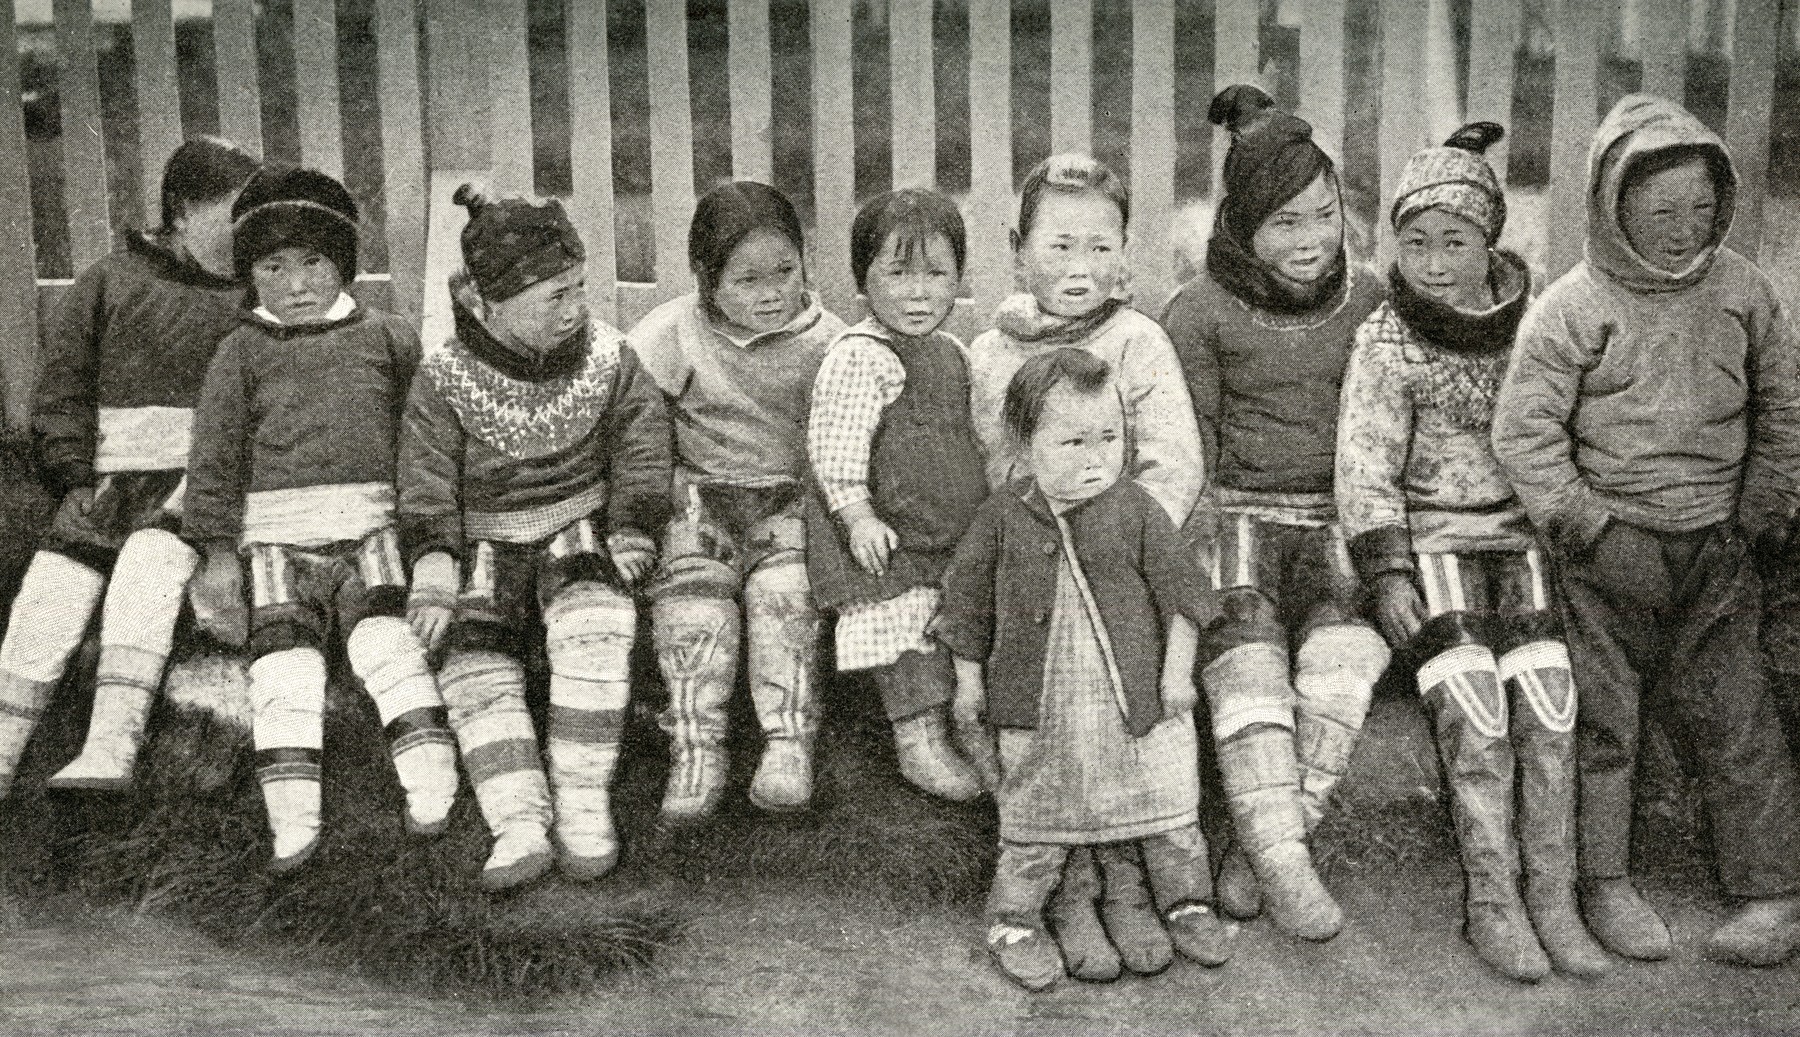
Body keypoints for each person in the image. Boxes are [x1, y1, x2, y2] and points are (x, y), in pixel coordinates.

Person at [1492, 93, 1800, 967]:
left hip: (1719, 549)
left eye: (1702, 209)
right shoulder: (1573, 307)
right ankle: (1605, 882)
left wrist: (1760, 512)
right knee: (1606, 720)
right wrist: (1590, 529)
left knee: (1739, 712)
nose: (1684, 228)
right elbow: (1525, 434)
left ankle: (1774, 891)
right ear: (1613, 205)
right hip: (1606, 556)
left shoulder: (1745, 291)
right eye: (1662, 210)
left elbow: (1783, 408)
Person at [1336, 123, 1610, 981]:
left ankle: (1555, 897)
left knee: (1550, 704)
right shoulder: (1385, 340)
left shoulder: (1532, 326)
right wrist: (1386, 572)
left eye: (1454, 240)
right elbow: (1365, 464)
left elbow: (1567, 431)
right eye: (1413, 242)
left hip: (1520, 539)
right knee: (1477, 713)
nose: (1433, 260)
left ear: (1490, 238)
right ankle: (1492, 900)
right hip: (1435, 542)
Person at [964, 152, 1205, 981]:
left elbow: (1172, 463)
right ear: (1017, 249)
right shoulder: (992, 352)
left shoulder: (1138, 341)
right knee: (1055, 745)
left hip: (1126, 572)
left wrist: (1119, 546)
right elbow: (994, 466)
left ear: (1127, 252)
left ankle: (1131, 884)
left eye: (1102, 248)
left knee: (1133, 744)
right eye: (1060, 247)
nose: (1081, 268)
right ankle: (1061, 891)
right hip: (1033, 574)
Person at [1159, 84, 1390, 942]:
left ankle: (1265, 845)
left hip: (1336, 524)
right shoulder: (1201, 311)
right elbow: (1193, 457)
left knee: (1341, 666)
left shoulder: (1368, 302)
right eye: (1286, 223)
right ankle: (1286, 865)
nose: (1311, 240)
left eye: (1325, 216)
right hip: (1238, 520)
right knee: (1251, 669)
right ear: (1243, 227)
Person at [183, 167, 459, 873]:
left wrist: (427, 540)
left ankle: (434, 790)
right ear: (251, 275)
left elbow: (422, 442)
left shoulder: (389, 339)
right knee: (286, 669)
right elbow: (213, 463)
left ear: (344, 264)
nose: (297, 284)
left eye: (314, 263)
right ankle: (294, 823)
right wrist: (217, 559)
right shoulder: (239, 352)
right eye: (273, 267)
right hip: (275, 540)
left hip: (372, 531)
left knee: (388, 649)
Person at [398, 185, 672, 890]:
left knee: (599, 623)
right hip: (486, 546)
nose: (575, 307)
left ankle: (583, 798)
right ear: (487, 304)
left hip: (577, 524)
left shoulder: (610, 359)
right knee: (473, 664)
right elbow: (425, 481)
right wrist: (434, 572)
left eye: (578, 286)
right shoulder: (445, 379)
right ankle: (517, 818)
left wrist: (634, 527)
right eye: (553, 296)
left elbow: (643, 445)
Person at [937, 348, 1231, 992]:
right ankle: (1014, 918)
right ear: (1022, 442)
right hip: (1042, 706)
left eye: (1111, 437)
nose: (1097, 456)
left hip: (1136, 700)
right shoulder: (1001, 518)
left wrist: (1176, 675)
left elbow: (1184, 597)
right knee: (1038, 815)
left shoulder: (1137, 510)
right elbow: (965, 603)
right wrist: (968, 679)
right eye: (1072, 441)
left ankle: (1186, 901)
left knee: (1166, 805)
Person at [0, 136, 260, 797]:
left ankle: (108, 748)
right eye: (234, 212)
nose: (248, 230)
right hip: (109, 486)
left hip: (187, 494)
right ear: (180, 211)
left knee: (146, 573)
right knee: (52, 587)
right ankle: (3, 749)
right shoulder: (109, 281)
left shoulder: (252, 301)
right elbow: (62, 389)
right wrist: (70, 475)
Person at [628, 182, 847, 820]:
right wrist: (661, 480)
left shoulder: (825, 339)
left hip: (788, 503)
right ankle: (696, 746)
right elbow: (637, 414)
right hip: (699, 502)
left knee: (785, 601)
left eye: (785, 272)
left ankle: (787, 743)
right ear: (705, 277)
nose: (771, 292)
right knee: (695, 610)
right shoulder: (673, 332)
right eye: (746, 279)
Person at [805, 189, 988, 801]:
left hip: (942, 529)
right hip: (883, 530)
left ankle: (968, 729)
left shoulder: (953, 352)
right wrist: (856, 514)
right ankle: (919, 743)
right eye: (898, 273)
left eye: (936, 274)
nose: (918, 292)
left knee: (946, 623)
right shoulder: (861, 357)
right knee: (901, 628)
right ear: (863, 281)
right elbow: (836, 443)